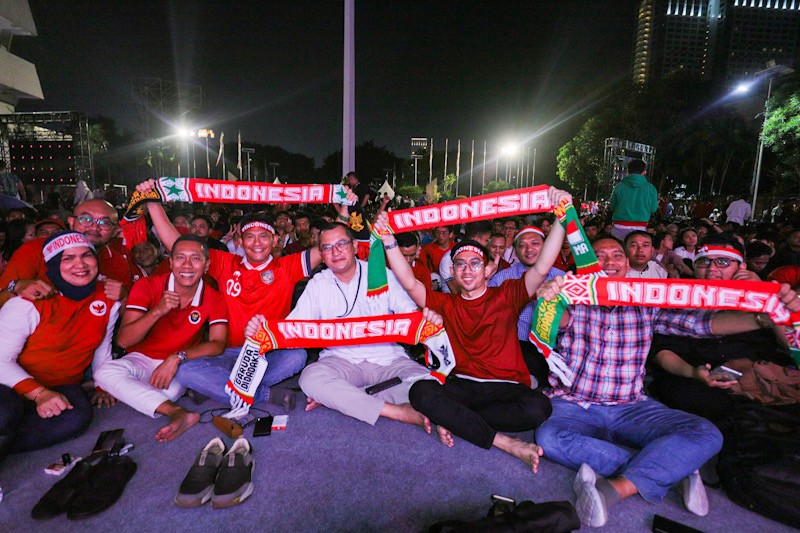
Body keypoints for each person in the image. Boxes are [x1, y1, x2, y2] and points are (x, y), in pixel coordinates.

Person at [533, 236, 800, 527]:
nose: (609, 262)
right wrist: (547, 300)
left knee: (707, 434)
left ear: (627, 265)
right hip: (575, 404)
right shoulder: (571, 299)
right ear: (584, 264)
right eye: (599, 256)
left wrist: (766, 317)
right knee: (549, 438)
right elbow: (552, 324)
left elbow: (701, 325)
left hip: (631, 406)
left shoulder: (645, 301)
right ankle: (673, 469)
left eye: (617, 256)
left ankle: (626, 483)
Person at [375, 187, 571, 472]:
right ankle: (506, 442)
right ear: (452, 271)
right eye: (460, 265)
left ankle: (457, 420)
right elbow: (409, 282)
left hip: (506, 387)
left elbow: (541, 268)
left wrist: (561, 215)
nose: (467, 270)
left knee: (539, 408)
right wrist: (388, 241)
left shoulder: (507, 294)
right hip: (463, 384)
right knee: (421, 392)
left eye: (475, 263)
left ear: (488, 269)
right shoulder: (445, 302)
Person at [135, 179, 356, 408]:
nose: (257, 242)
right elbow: (177, 243)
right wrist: (152, 202)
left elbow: (328, 246)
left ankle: (220, 389)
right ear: (240, 241)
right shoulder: (224, 263)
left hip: (268, 352)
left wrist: (345, 213)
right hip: (227, 353)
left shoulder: (287, 267)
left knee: (297, 356)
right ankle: (264, 395)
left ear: (275, 240)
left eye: (264, 236)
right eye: (250, 236)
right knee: (186, 371)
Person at [247, 222, 435, 430]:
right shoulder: (318, 284)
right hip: (341, 362)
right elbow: (293, 329)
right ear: (321, 253)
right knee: (310, 379)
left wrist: (428, 320)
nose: (335, 252)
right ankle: (395, 411)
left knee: (430, 385)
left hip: (388, 360)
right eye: (327, 247)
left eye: (341, 244)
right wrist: (264, 330)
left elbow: (410, 317)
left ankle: (347, 398)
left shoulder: (381, 274)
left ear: (355, 246)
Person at [95, 235, 228, 442]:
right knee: (105, 373)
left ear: (207, 265)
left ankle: (146, 396)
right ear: (170, 261)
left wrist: (177, 357)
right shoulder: (148, 285)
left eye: (195, 258)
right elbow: (124, 341)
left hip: (180, 364)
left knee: (169, 389)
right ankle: (177, 412)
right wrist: (158, 311)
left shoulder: (214, 297)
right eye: (180, 258)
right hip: (141, 357)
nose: (187, 265)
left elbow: (218, 344)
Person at [649, 234, 794, 423]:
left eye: (723, 262)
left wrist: (766, 298)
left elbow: (791, 345)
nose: (712, 269)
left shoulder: (758, 293)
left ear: (741, 267)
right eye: (704, 263)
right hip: (694, 376)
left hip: (758, 374)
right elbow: (661, 349)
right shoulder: (678, 296)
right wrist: (694, 373)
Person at [0, 231, 119, 462]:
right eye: (68, 258)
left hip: (62, 385)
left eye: (87, 255)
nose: (80, 264)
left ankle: (7, 440)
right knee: (5, 413)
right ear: (53, 265)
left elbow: (102, 348)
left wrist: (103, 386)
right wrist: (40, 395)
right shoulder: (28, 301)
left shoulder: (108, 297)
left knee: (77, 418)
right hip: (9, 384)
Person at [0, 198, 131, 308]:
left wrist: (124, 297)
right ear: (71, 222)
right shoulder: (34, 250)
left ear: (115, 230)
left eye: (105, 222)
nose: (94, 227)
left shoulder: (118, 263)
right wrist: (15, 287)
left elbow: (125, 321)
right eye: (86, 219)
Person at [488, 225, 564, 387]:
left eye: (535, 243)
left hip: (554, 346)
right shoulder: (502, 278)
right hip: (517, 345)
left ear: (546, 246)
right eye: (522, 245)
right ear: (515, 251)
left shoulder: (561, 278)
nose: (529, 249)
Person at [609, 159, 657, 240]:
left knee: (619, 251)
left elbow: (612, 206)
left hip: (619, 226)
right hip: (640, 228)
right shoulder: (650, 188)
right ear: (644, 171)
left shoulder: (619, 187)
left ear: (628, 170)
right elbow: (653, 209)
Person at [439, 221, 492, 294]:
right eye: (486, 240)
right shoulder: (449, 259)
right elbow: (458, 292)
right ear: (475, 239)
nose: (488, 244)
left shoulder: (484, 258)